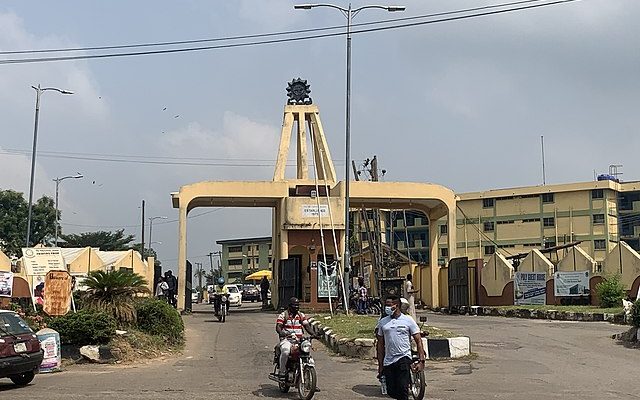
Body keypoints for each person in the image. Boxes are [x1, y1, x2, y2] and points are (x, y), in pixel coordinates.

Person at [376, 295, 426, 400]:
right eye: (386, 305)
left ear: (396, 305)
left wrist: (421, 360)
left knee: (403, 388)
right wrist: (380, 366)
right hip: (389, 361)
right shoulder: (383, 322)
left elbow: (418, 340)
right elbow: (380, 344)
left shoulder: (408, 320)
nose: (387, 308)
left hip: (403, 358)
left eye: (389, 305)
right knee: (391, 391)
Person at [275, 297, 316, 378]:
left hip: (299, 340)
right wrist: (281, 332)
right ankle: (282, 372)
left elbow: (307, 326)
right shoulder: (283, 315)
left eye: (297, 306)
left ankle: (311, 380)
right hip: (287, 340)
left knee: (307, 355)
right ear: (290, 306)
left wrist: (314, 334)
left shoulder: (301, 315)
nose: (296, 308)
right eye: (294, 306)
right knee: (285, 352)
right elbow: (278, 326)